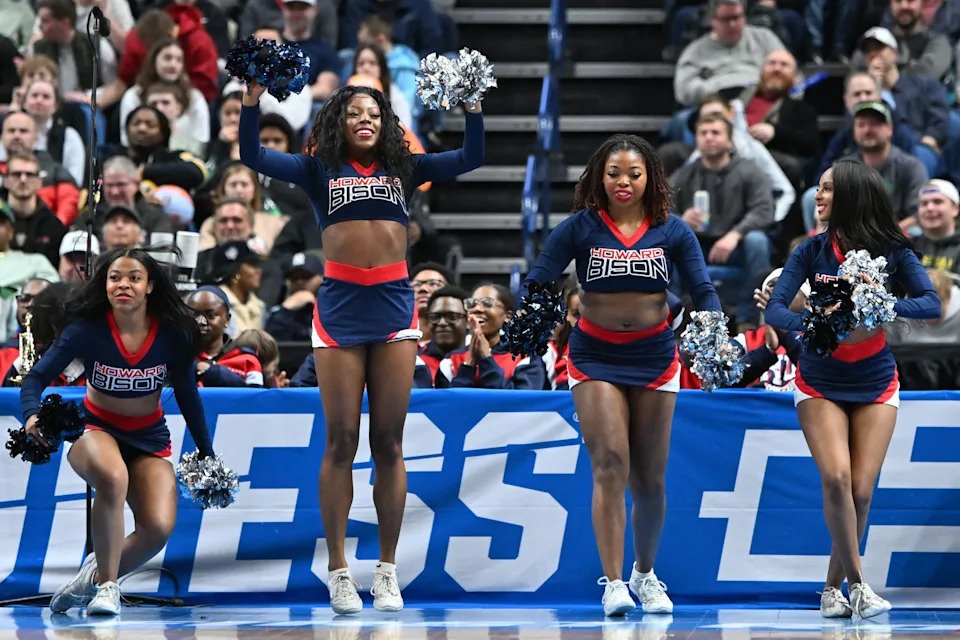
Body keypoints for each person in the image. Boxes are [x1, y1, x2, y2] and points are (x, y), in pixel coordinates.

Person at [239, 77, 484, 613]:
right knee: (341, 440)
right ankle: (338, 570)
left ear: (387, 122)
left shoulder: (406, 168)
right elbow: (253, 155)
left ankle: (387, 571)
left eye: (373, 113)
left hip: (393, 305)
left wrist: (472, 108)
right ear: (338, 123)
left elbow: (470, 157)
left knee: (389, 442)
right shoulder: (316, 169)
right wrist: (252, 101)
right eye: (354, 113)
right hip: (339, 308)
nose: (365, 120)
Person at [521, 134, 723, 616]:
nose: (624, 182)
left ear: (650, 177)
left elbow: (702, 289)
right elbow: (538, 279)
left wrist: (714, 328)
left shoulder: (673, 230)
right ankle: (613, 582)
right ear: (600, 177)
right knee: (610, 463)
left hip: (655, 356)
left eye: (634, 173)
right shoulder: (580, 227)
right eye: (614, 173)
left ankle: (644, 574)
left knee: (650, 478)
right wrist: (538, 312)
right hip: (595, 356)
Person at [764, 160, 940, 618]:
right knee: (837, 479)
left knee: (861, 492)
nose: (818, 197)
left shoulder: (893, 249)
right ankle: (859, 585)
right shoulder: (810, 250)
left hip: (876, 380)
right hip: (820, 379)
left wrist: (881, 302)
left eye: (826, 189)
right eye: (819, 189)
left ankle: (831, 589)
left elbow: (930, 303)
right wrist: (817, 321)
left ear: (851, 195)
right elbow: (775, 310)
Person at [18, 247, 218, 616]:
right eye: (115, 278)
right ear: (105, 285)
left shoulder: (172, 334)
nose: (123, 284)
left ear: (150, 286)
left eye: (134, 278)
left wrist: (206, 451)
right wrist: (31, 415)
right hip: (95, 429)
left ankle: (91, 577)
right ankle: (109, 587)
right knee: (112, 478)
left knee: (158, 528)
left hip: (149, 438)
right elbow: (35, 378)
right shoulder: (86, 329)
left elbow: (189, 396)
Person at [439, 284, 546, 389]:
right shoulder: (452, 359)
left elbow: (520, 399)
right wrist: (468, 364)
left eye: (487, 303)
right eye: (471, 304)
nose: (477, 309)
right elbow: (448, 399)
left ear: (508, 316)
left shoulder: (525, 358)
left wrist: (486, 360)